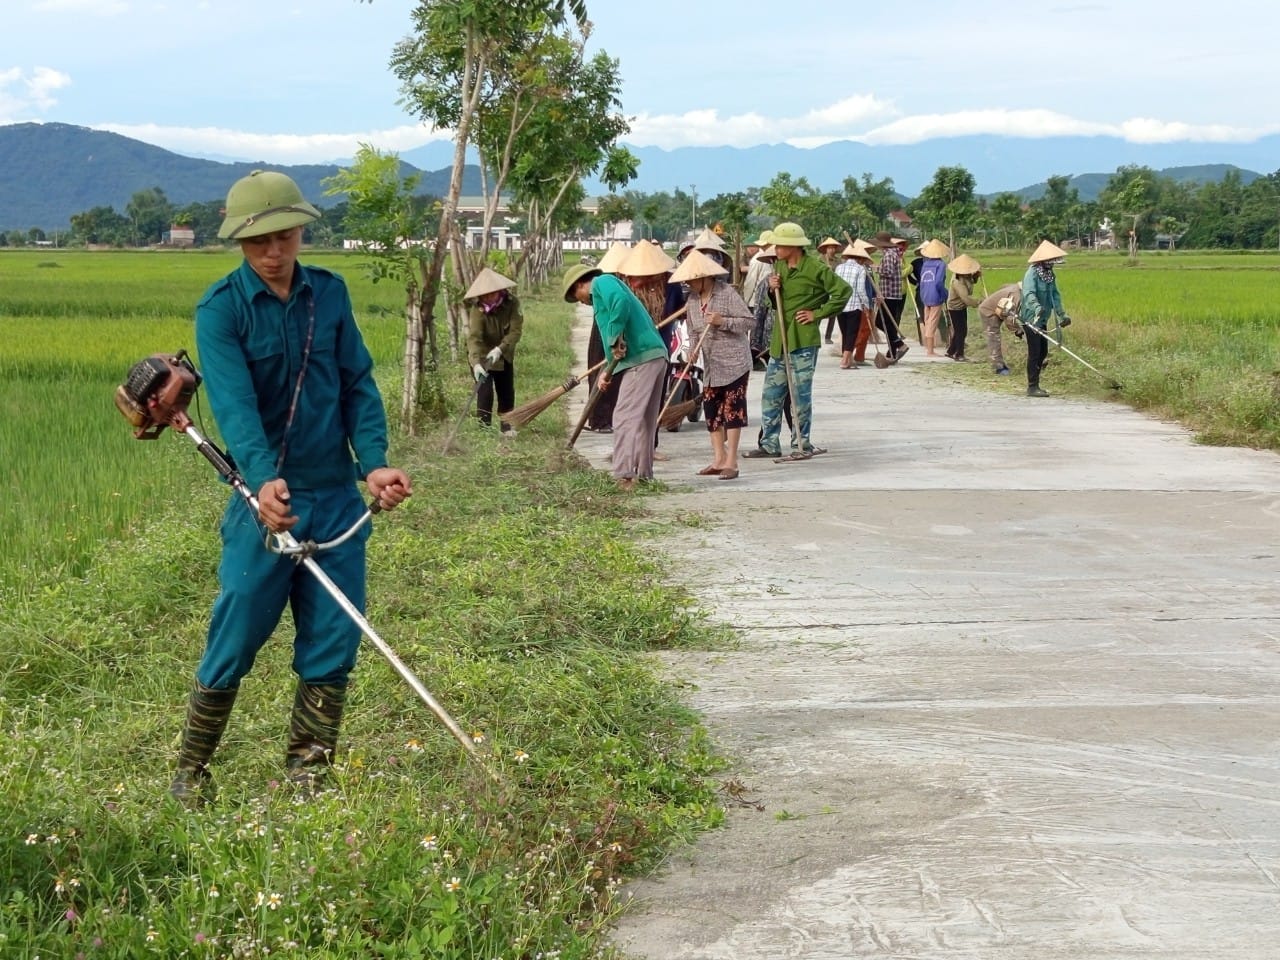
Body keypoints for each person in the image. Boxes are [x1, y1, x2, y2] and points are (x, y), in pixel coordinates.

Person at [174, 170, 412, 806]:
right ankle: (192, 771)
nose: (273, 253)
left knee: (334, 635)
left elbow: (357, 382)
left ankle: (308, 774)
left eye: (283, 236)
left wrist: (375, 464)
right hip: (265, 503)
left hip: (334, 493)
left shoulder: (329, 296)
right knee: (238, 628)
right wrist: (261, 481)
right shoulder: (221, 310)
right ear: (240, 246)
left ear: (301, 230)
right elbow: (234, 404)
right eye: (257, 243)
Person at [745, 221, 851, 461]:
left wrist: (818, 313)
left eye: (780, 245)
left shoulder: (815, 268)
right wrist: (772, 290)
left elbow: (843, 291)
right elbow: (771, 303)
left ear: (793, 247)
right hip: (779, 342)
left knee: (800, 394)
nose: (776, 249)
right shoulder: (778, 267)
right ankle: (769, 443)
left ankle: (802, 443)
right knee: (771, 394)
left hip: (802, 341)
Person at [563, 262, 668, 490]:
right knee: (644, 420)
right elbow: (615, 350)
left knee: (624, 417)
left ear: (580, 284)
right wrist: (605, 372)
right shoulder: (605, 292)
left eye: (577, 296)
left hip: (642, 358)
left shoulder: (602, 282)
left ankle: (624, 475)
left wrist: (613, 337)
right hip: (655, 356)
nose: (581, 302)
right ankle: (644, 474)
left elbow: (619, 306)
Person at [671, 250, 754, 480]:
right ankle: (718, 458)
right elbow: (692, 332)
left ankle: (732, 461)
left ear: (705, 277)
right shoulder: (692, 301)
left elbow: (749, 322)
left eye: (691, 279)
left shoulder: (726, 294)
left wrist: (722, 322)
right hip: (712, 365)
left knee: (732, 410)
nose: (688, 283)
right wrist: (691, 350)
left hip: (735, 362)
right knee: (711, 411)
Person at [464, 267, 523, 432]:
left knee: (506, 392)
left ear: (500, 291)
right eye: (485, 295)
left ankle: (507, 427)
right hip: (482, 354)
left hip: (504, 353)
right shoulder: (477, 310)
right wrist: (475, 363)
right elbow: (474, 338)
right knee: (485, 393)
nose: (488, 297)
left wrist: (500, 349)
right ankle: (484, 430)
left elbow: (515, 331)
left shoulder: (512, 303)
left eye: (492, 293)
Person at [1020, 239, 1072, 397]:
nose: (1053, 263)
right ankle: (1032, 387)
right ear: (1043, 261)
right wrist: (1037, 307)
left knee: (1043, 352)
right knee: (1035, 352)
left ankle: (1036, 379)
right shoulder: (1032, 274)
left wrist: (1062, 315)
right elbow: (1028, 293)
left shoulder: (1049, 276)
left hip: (1042, 319)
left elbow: (1054, 296)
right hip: (1031, 318)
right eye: (1050, 261)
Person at [871, 232, 913, 349]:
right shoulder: (893, 254)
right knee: (888, 323)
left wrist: (876, 268)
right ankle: (893, 350)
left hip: (889, 294)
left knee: (880, 322)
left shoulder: (889, 255)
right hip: (891, 293)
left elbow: (888, 272)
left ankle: (899, 344)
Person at [834, 242, 872, 369]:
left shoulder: (839, 268)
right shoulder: (860, 269)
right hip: (854, 305)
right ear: (860, 258)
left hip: (840, 304)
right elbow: (861, 289)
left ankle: (849, 360)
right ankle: (845, 361)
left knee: (845, 333)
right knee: (852, 333)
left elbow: (835, 287)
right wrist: (866, 305)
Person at [977, 281, 1022, 375]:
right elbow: (1010, 316)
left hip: (999, 310)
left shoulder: (1015, 289)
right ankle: (998, 366)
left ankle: (1000, 363)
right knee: (994, 337)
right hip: (988, 311)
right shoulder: (1016, 295)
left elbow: (1003, 286)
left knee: (995, 337)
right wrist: (1017, 329)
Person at [944, 254, 981, 362]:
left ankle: (951, 351)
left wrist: (976, 276)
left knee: (959, 330)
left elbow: (971, 283)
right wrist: (978, 302)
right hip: (955, 308)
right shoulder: (957, 281)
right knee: (961, 331)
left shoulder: (966, 276)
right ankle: (959, 354)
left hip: (961, 307)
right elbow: (965, 298)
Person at [917, 239, 950, 357]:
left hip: (925, 295)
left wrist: (923, 294)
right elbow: (938, 283)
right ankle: (930, 351)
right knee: (932, 322)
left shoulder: (925, 264)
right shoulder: (941, 264)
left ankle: (928, 347)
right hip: (936, 296)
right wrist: (944, 294)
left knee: (927, 320)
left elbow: (922, 281)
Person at [816, 236, 842, 342]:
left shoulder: (838, 261)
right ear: (826, 249)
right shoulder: (820, 259)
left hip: (833, 289)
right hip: (822, 290)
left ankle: (828, 336)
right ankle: (816, 334)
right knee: (820, 313)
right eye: (830, 248)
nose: (832, 250)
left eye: (833, 248)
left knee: (832, 313)